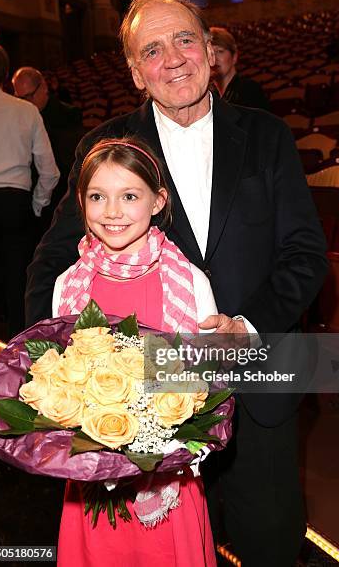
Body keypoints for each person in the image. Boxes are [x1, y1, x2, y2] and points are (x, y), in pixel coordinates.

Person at [26, 0, 328, 566]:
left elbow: (306, 254)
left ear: (211, 52)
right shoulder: (108, 147)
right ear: (136, 72)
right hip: (143, 418)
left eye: (186, 40)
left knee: (271, 544)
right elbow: (51, 264)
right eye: (152, 49)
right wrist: (60, 370)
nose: (174, 59)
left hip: (257, 390)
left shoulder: (267, 136)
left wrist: (248, 324)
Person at [53, 137, 217, 567]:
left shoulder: (189, 283)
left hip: (169, 482)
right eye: (97, 197)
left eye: (129, 196)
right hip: (91, 478)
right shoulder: (69, 286)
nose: (112, 212)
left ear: (158, 201)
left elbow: (205, 386)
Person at [0, 41, 59, 365]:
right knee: (19, 291)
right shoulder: (26, 110)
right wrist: (36, 204)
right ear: (5, 71)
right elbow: (50, 171)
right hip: (15, 205)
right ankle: (17, 371)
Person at [12, 67, 84, 233]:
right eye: (19, 97)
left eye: (28, 96)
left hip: (60, 195)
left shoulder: (68, 115)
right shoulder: (18, 117)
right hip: (32, 193)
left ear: (43, 87)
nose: (25, 103)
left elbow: (68, 163)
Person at [210, 26, 271, 111]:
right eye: (209, 53)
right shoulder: (209, 95)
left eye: (220, 51)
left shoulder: (249, 90)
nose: (214, 58)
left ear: (234, 57)